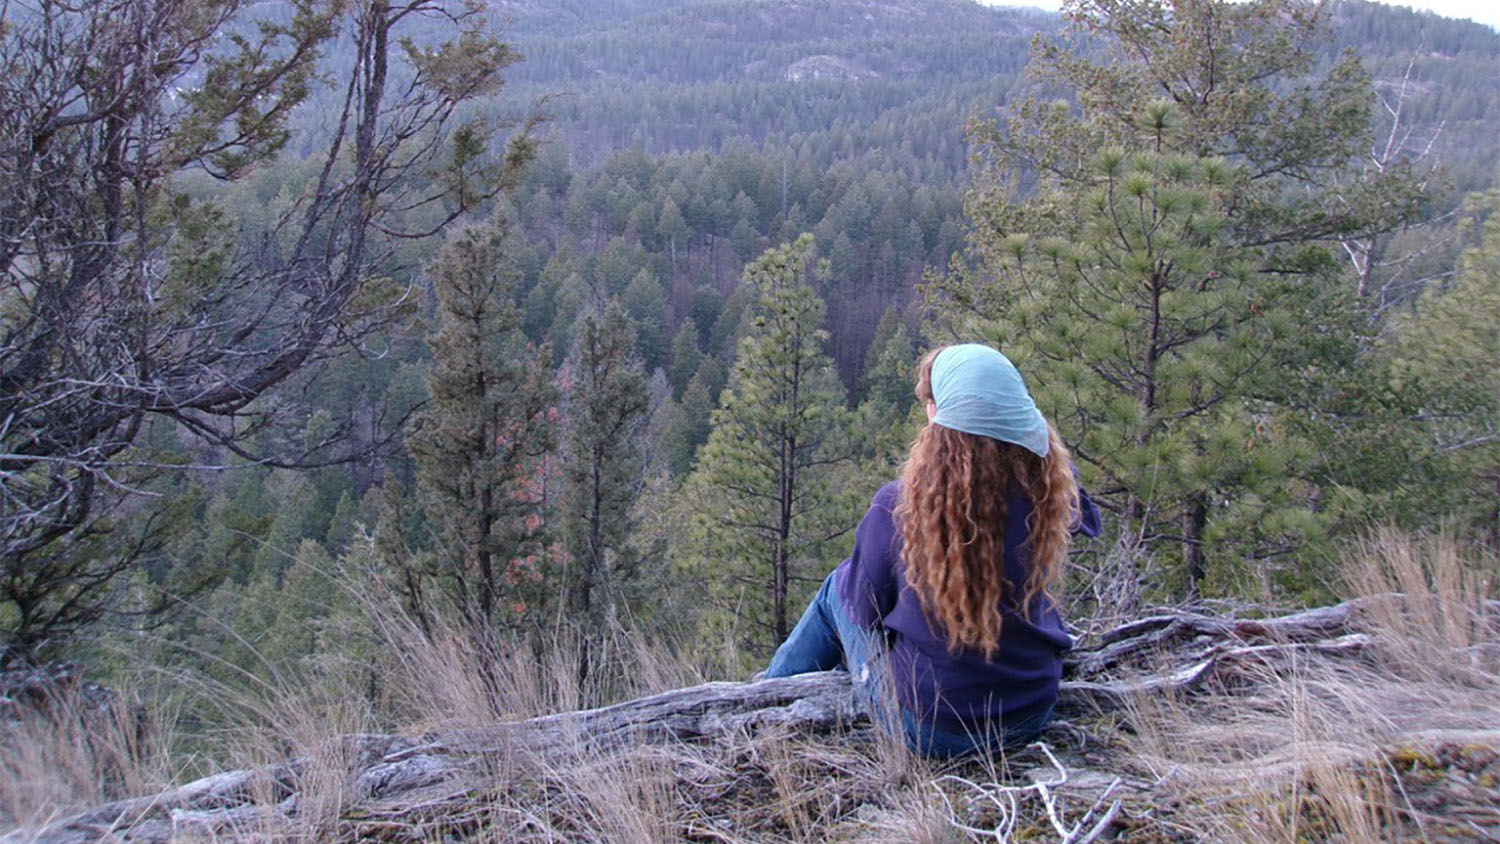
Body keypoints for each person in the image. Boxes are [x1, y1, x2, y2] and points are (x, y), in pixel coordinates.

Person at [762, 343, 1101, 757]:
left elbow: (864, 611)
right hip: (1031, 712)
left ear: (937, 419)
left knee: (837, 589)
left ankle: (764, 702)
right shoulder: (1049, 496)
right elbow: (1088, 519)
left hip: (931, 730)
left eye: (930, 403)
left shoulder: (900, 508)